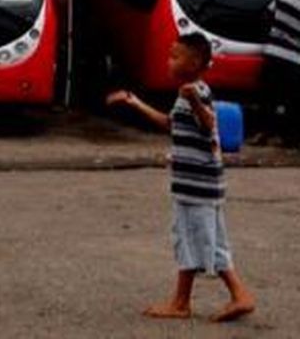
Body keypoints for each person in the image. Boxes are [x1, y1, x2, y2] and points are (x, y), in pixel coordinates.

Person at [107, 33, 256, 323]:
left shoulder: (195, 92)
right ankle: (204, 298)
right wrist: (135, 102)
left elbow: (209, 122)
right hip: (202, 185)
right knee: (205, 240)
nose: (169, 61)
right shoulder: (187, 93)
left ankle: (198, 300)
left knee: (191, 239)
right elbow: (170, 123)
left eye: (175, 56)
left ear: (194, 62)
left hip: (196, 186)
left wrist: (197, 104)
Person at [259, 0, 300, 141]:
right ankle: (289, 137)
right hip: (294, 59)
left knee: (268, 98)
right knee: (292, 102)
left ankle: (264, 132)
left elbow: (267, 14)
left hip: (272, 53)